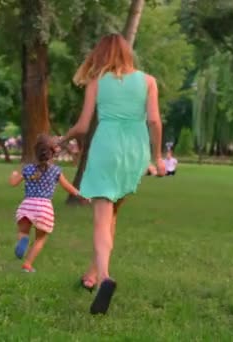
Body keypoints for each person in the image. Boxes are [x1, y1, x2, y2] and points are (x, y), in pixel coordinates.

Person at [60, 33, 165, 315]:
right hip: (135, 152)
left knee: (101, 219)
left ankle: (105, 277)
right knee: (113, 214)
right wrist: (157, 157)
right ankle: (92, 275)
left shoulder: (97, 82)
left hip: (106, 148)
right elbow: (154, 120)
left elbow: (82, 127)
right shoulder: (148, 81)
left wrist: (62, 139)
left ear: (101, 54)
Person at [8, 134, 82, 273]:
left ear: (36, 152)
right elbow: (68, 187)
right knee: (40, 239)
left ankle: (23, 240)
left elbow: (13, 183)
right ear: (53, 153)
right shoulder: (56, 171)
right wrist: (80, 194)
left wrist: (13, 174)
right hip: (44, 208)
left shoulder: (28, 169)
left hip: (27, 205)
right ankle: (28, 264)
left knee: (23, 231)